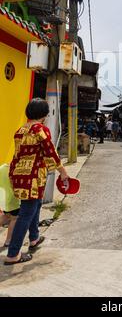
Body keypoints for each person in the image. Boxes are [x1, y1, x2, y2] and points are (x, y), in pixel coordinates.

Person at [4, 98, 69, 266]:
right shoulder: (41, 130)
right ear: (44, 114)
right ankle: (13, 254)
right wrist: (63, 172)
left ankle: (34, 238)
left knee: (35, 204)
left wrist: (12, 175)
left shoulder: (20, 130)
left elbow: (16, 155)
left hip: (18, 175)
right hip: (33, 177)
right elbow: (50, 153)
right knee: (26, 213)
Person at [0, 163, 20, 247]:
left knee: (6, 215)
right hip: (12, 199)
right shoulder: (14, 169)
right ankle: (8, 240)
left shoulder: (1, 168)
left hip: (3, 197)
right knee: (14, 218)